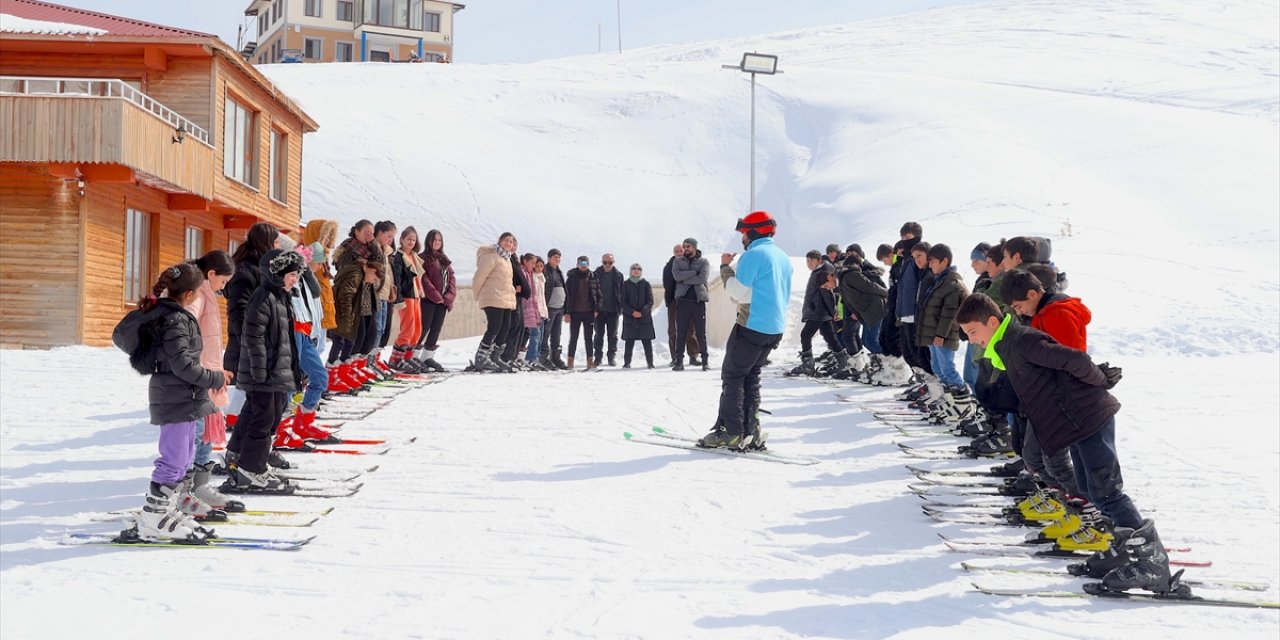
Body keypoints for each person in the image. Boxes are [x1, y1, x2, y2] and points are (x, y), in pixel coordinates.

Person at [957, 293, 1170, 594]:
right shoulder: (1007, 346)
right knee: (1089, 489)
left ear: (992, 322)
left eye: (973, 333)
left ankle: (1153, 565)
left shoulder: (1023, 341)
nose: (972, 340)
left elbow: (1075, 359)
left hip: (1088, 415)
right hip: (1075, 422)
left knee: (1107, 491)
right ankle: (1120, 550)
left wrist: (1099, 380)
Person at [124, 263, 229, 541]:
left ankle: (165, 512)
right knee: (173, 459)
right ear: (191, 293)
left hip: (182, 395)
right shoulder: (175, 320)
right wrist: (214, 378)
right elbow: (182, 365)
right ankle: (153, 519)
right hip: (175, 396)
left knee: (183, 458)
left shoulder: (172, 315)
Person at [698, 211, 793, 450]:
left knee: (733, 377)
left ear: (753, 232)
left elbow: (738, 294)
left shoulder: (754, 255)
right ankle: (751, 430)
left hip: (752, 326)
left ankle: (730, 433)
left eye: (743, 233)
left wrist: (725, 268)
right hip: (774, 328)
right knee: (751, 377)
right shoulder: (782, 257)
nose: (742, 238)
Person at [224, 250, 304, 492]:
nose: (295, 280)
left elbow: (286, 340)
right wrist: (260, 371)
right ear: (277, 274)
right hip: (264, 373)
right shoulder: (263, 297)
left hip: (275, 371)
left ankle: (247, 459)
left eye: (296, 275)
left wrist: (294, 370)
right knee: (263, 419)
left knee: (268, 417)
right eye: (291, 274)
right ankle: (251, 469)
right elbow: (253, 336)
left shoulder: (280, 297)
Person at [182, 250, 241, 515]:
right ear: (211, 274)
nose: (223, 288)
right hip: (197, 375)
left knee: (206, 432)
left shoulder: (205, 292)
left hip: (208, 373)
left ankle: (201, 485)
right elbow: (185, 323)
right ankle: (186, 490)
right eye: (223, 282)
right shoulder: (197, 293)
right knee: (195, 434)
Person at [276, 235, 330, 443]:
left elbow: (311, 305)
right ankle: (280, 431)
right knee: (291, 383)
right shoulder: (286, 275)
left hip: (306, 332)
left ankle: (303, 422)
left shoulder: (306, 276)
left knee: (319, 377)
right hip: (294, 331)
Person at [916, 243, 968, 393]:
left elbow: (949, 314)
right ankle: (947, 398)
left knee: (947, 370)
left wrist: (940, 335)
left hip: (943, 336)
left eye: (933, 261)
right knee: (937, 369)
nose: (930, 265)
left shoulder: (951, 284)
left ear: (944, 261)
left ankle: (962, 396)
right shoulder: (939, 281)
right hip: (934, 335)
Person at [790, 250, 842, 376]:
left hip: (818, 311)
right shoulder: (819, 271)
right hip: (820, 310)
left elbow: (827, 294)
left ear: (818, 260)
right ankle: (843, 362)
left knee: (805, 335)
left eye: (811, 260)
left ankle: (808, 365)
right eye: (807, 260)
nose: (808, 263)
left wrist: (833, 311)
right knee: (829, 335)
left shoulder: (822, 272)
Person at [472, 232, 518, 372]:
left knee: (505, 328)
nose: (508, 243)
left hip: (504, 299)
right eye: (506, 240)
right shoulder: (491, 256)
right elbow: (479, 276)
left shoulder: (506, 259)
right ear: (499, 241)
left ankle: (494, 357)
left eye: (511, 242)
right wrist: (477, 294)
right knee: (494, 327)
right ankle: (481, 357)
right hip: (492, 297)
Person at [416, 229, 455, 372]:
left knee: (436, 329)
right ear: (428, 241)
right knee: (423, 328)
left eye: (439, 240)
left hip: (443, 302)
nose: (437, 243)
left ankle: (427, 357)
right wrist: (436, 296)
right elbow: (424, 279)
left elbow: (451, 278)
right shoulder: (423, 257)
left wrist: (449, 297)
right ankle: (413, 356)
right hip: (428, 300)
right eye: (434, 240)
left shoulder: (444, 258)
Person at [672, 238, 710, 371]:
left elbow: (702, 278)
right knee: (681, 332)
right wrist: (694, 272)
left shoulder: (704, 262)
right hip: (682, 302)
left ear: (694, 247)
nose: (686, 248)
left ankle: (705, 361)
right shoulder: (677, 261)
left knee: (701, 333)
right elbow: (677, 276)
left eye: (688, 246)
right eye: (684, 246)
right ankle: (679, 362)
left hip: (698, 302)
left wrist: (685, 278)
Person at [390, 227, 425, 371]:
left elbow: (417, 276)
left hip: (415, 296)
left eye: (413, 239)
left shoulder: (414, 256)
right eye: (408, 238)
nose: (411, 241)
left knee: (417, 328)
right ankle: (396, 359)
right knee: (408, 328)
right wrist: (399, 297)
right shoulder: (398, 256)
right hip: (406, 295)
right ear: (402, 239)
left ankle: (407, 357)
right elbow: (397, 278)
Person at [663, 243, 701, 366]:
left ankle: (693, 356)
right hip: (673, 300)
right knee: (673, 330)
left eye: (681, 250)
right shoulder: (668, 266)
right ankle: (675, 357)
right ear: (674, 253)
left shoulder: (689, 264)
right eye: (676, 251)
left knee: (690, 329)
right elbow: (666, 284)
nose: (679, 252)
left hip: (687, 300)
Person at [371, 221, 398, 376]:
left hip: (385, 295)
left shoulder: (386, 252)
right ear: (380, 233)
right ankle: (368, 362)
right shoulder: (375, 249)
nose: (390, 240)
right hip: (376, 294)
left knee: (381, 330)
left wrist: (391, 290)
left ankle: (374, 360)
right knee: (376, 329)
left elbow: (388, 274)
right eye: (389, 236)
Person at [564, 255, 601, 369]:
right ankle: (570, 362)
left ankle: (590, 362)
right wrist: (567, 313)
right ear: (577, 264)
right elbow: (567, 296)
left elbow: (599, 295)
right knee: (573, 338)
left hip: (589, 313)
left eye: (585, 264)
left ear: (588, 264)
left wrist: (597, 309)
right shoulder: (572, 277)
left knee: (588, 338)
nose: (583, 266)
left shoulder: (593, 277)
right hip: (575, 312)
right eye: (581, 263)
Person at [620, 263, 656, 368]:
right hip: (630, 317)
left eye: (639, 269)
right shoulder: (625, 284)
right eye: (634, 269)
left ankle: (650, 363)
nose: (636, 270)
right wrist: (632, 312)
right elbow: (623, 302)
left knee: (647, 341)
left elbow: (650, 301)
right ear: (630, 271)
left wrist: (642, 312)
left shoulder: (645, 284)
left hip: (644, 317)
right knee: (629, 341)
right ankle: (627, 363)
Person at [592, 253, 624, 366]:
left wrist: (621, 308)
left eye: (610, 262)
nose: (607, 264)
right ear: (602, 262)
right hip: (599, 311)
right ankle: (598, 358)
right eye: (605, 262)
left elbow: (622, 293)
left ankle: (611, 358)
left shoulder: (619, 276)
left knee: (613, 335)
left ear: (613, 263)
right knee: (598, 335)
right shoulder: (595, 275)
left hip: (613, 310)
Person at [540, 249, 568, 370]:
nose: (558, 259)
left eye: (559, 257)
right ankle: (543, 358)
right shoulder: (545, 270)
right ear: (549, 258)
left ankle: (556, 358)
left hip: (559, 308)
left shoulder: (559, 271)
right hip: (549, 308)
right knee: (545, 333)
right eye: (555, 257)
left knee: (557, 333)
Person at [525, 255, 549, 366]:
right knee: (535, 335)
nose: (539, 268)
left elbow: (542, 297)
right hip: (535, 310)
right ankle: (531, 358)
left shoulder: (542, 277)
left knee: (541, 336)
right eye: (537, 266)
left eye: (541, 266)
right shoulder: (532, 277)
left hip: (543, 310)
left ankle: (537, 358)